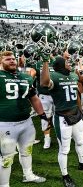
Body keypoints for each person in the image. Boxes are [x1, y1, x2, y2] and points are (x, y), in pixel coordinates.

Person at [40, 56, 83, 187]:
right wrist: (45, 61)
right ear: (60, 65)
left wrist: (79, 72)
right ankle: (65, 175)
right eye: (66, 62)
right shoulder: (53, 76)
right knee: (64, 149)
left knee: (80, 142)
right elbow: (44, 82)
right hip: (62, 117)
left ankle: (82, 163)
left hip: (76, 114)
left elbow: (81, 83)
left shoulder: (72, 75)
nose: (69, 63)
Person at [0, 51, 46, 186]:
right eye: (7, 59)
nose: (12, 61)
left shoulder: (25, 77)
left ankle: (28, 175)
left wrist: (42, 115)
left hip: (26, 122)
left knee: (27, 151)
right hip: (5, 124)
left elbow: (33, 98)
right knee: (7, 158)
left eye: (13, 58)